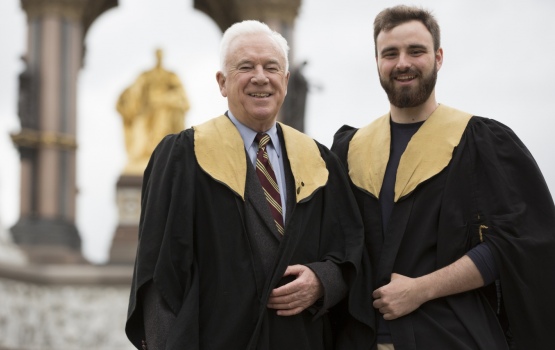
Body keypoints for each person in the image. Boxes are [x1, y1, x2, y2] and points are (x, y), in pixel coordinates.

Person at [125, 20, 372, 350]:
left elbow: (349, 252)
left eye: (271, 67)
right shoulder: (184, 156)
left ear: (285, 81)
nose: (260, 77)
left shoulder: (320, 161)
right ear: (222, 83)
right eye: (246, 66)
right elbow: (159, 277)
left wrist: (322, 281)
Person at [332, 5, 555, 350]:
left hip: (451, 338)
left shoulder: (480, 143)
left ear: (438, 57)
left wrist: (422, 289)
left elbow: (516, 244)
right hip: (357, 338)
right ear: (377, 61)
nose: (403, 62)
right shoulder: (349, 151)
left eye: (416, 51)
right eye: (390, 53)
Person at [116, 49, 190, 175]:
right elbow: (135, 92)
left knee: (163, 117)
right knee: (141, 125)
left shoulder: (171, 76)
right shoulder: (145, 76)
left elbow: (182, 98)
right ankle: (143, 155)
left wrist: (164, 100)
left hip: (164, 111)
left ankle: (161, 154)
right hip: (147, 110)